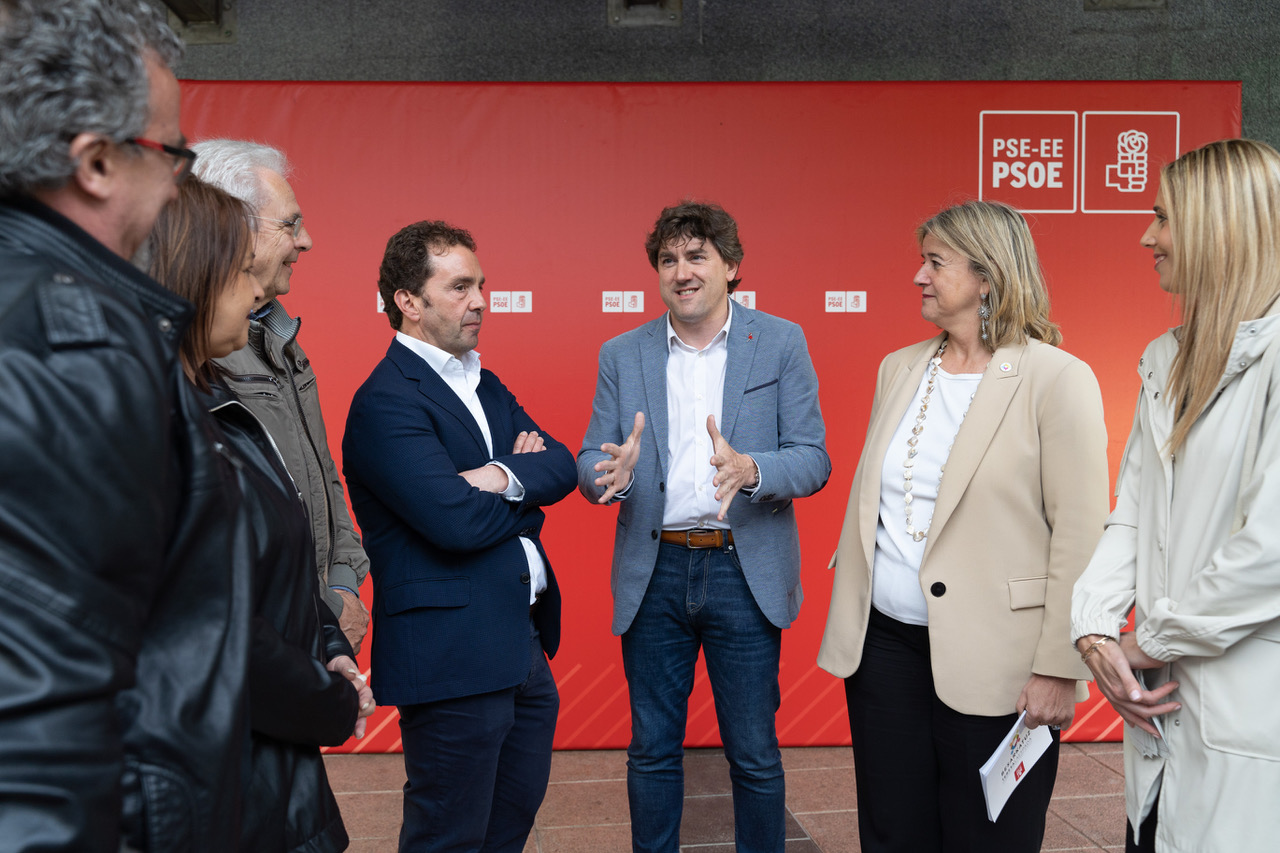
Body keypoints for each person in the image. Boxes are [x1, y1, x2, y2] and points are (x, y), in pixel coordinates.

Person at [0, 2, 253, 850]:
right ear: (97, 162)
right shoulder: (76, 340)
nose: (179, 179)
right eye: (169, 152)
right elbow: (43, 701)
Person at [817, 200, 1110, 853]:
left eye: (935, 262)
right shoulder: (899, 368)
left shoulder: (1056, 378)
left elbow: (1082, 533)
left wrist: (1060, 665)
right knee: (893, 832)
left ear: (986, 275)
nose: (919, 276)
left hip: (1003, 666)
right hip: (884, 652)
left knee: (989, 838)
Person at [578, 200, 830, 853]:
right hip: (654, 570)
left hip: (742, 572)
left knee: (752, 753)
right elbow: (589, 462)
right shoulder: (622, 353)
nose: (681, 271)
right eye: (668, 259)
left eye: (696, 256)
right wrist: (614, 474)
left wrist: (751, 468)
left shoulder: (780, 342)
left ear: (732, 265)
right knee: (652, 750)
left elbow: (814, 458)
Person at [145, 176, 373, 852]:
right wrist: (326, 701)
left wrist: (329, 642)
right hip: (214, 784)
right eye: (243, 272)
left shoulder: (222, 410)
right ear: (191, 278)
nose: (258, 291)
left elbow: (279, 558)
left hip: (273, 776)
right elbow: (215, 629)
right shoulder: (151, 422)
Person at [1072, 138, 1280, 853]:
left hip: (1245, 735)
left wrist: (1143, 640)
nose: (1146, 234)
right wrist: (1095, 630)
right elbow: (1129, 512)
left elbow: (1270, 554)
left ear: (1218, 226)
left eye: (1163, 217)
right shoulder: (1167, 358)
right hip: (1162, 727)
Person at [343, 220, 576, 853]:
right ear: (408, 303)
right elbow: (454, 522)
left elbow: (561, 464)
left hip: (520, 646)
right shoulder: (385, 401)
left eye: (481, 286)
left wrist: (499, 476)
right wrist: (525, 495)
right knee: (447, 839)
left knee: (506, 833)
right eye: (459, 287)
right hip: (450, 658)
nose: (479, 301)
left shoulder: (483, 380)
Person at [192, 139, 371, 653]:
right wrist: (320, 609)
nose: (307, 241)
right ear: (227, 228)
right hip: (258, 632)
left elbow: (321, 477)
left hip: (311, 622)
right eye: (289, 224)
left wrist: (340, 587)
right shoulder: (196, 354)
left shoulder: (280, 336)